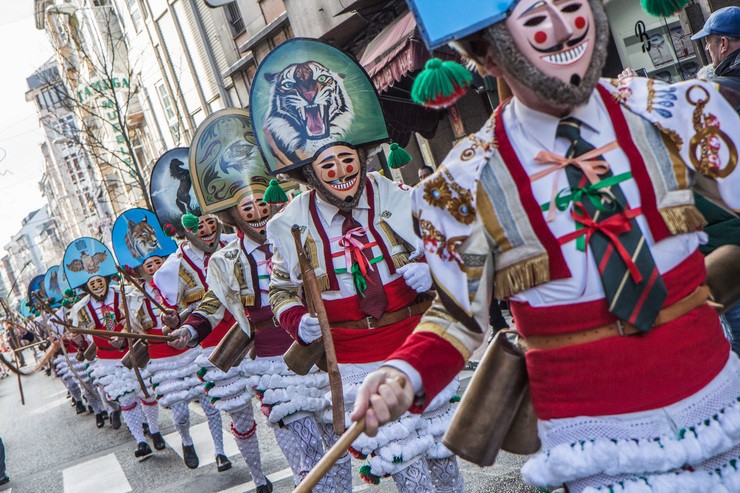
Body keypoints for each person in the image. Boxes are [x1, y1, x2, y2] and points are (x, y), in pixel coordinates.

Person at [352, 1, 740, 492]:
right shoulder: (460, 186)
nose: (562, 30)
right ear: (485, 54)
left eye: (573, 6)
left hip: (716, 402)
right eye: (535, 20)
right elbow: (456, 317)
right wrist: (402, 373)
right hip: (593, 438)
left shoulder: (678, 112)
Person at [253, 38, 463, 491]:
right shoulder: (287, 224)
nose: (341, 172)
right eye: (327, 165)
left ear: (361, 157)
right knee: (405, 466)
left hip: (415, 344)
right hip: (354, 362)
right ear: (310, 173)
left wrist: (432, 267)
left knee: (444, 455)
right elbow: (281, 292)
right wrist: (297, 321)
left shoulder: (398, 196)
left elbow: (453, 249)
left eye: (347, 160)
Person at [169, 108, 329, 491]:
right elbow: (212, 303)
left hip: (320, 352)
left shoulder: (301, 237)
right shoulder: (226, 260)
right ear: (234, 218)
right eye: (248, 209)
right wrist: (190, 332)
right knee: (305, 453)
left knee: (333, 451)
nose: (258, 213)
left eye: (262, 204)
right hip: (271, 362)